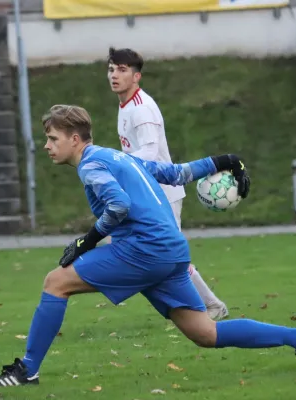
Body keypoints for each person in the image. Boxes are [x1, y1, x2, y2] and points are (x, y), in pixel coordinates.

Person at [0, 104, 296, 388]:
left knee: (56, 281)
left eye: (52, 138)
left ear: (76, 139)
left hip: (144, 251)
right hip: (171, 251)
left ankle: (27, 371)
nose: (48, 146)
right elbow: (176, 173)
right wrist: (226, 161)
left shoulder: (91, 166)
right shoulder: (120, 157)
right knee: (206, 333)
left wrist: (86, 241)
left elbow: (119, 205)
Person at [107, 47, 229, 320]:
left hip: (162, 193)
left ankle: (212, 305)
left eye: (122, 70)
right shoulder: (125, 104)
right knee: (142, 248)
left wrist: (116, 167)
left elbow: (149, 155)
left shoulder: (142, 110)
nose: (114, 75)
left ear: (136, 76)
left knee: (172, 257)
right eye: (111, 69)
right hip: (146, 192)